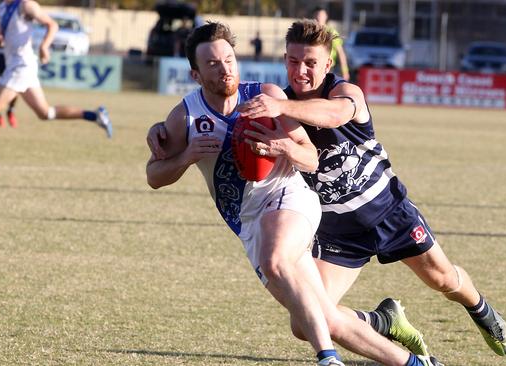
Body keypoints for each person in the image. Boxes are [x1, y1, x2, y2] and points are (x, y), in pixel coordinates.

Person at [146, 21, 439, 366]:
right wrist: (186, 156)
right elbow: (154, 176)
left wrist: (282, 147)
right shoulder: (185, 117)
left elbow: (310, 158)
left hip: (289, 199)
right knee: (318, 318)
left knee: (276, 260)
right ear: (196, 74)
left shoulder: (266, 96)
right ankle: (414, 361)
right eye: (212, 63)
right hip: (249, 223)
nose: (225, 68)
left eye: (229, 59)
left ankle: (327, 359)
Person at [235, 19, 506, 357]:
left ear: (328, 64)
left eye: (311, 62)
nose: (301, 71)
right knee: (304, 322)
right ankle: (383, 320)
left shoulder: (345, 93)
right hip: (338, 232)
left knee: (443, 280)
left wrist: (281, 107)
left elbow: (336, 115)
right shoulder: (277, 110)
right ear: (284, 61)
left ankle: (481, 309)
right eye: (294, 61)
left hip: (388, 211)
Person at [0, 0, 112, 176]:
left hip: (21, 66)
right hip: (18, 66)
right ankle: (95, 115)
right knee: (46, 113)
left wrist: (44, 46)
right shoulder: (3, 7)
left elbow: (52, 25)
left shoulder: (25, 5)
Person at [312, 7, 349, 82]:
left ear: (326, 17)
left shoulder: (331, 32)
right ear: (313, 16)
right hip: (313, 66)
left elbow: (340, 52)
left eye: (321, 15)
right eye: (317, 15)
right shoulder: (310, 31)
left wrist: (345, 70)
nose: (319, 17)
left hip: (327, 67)